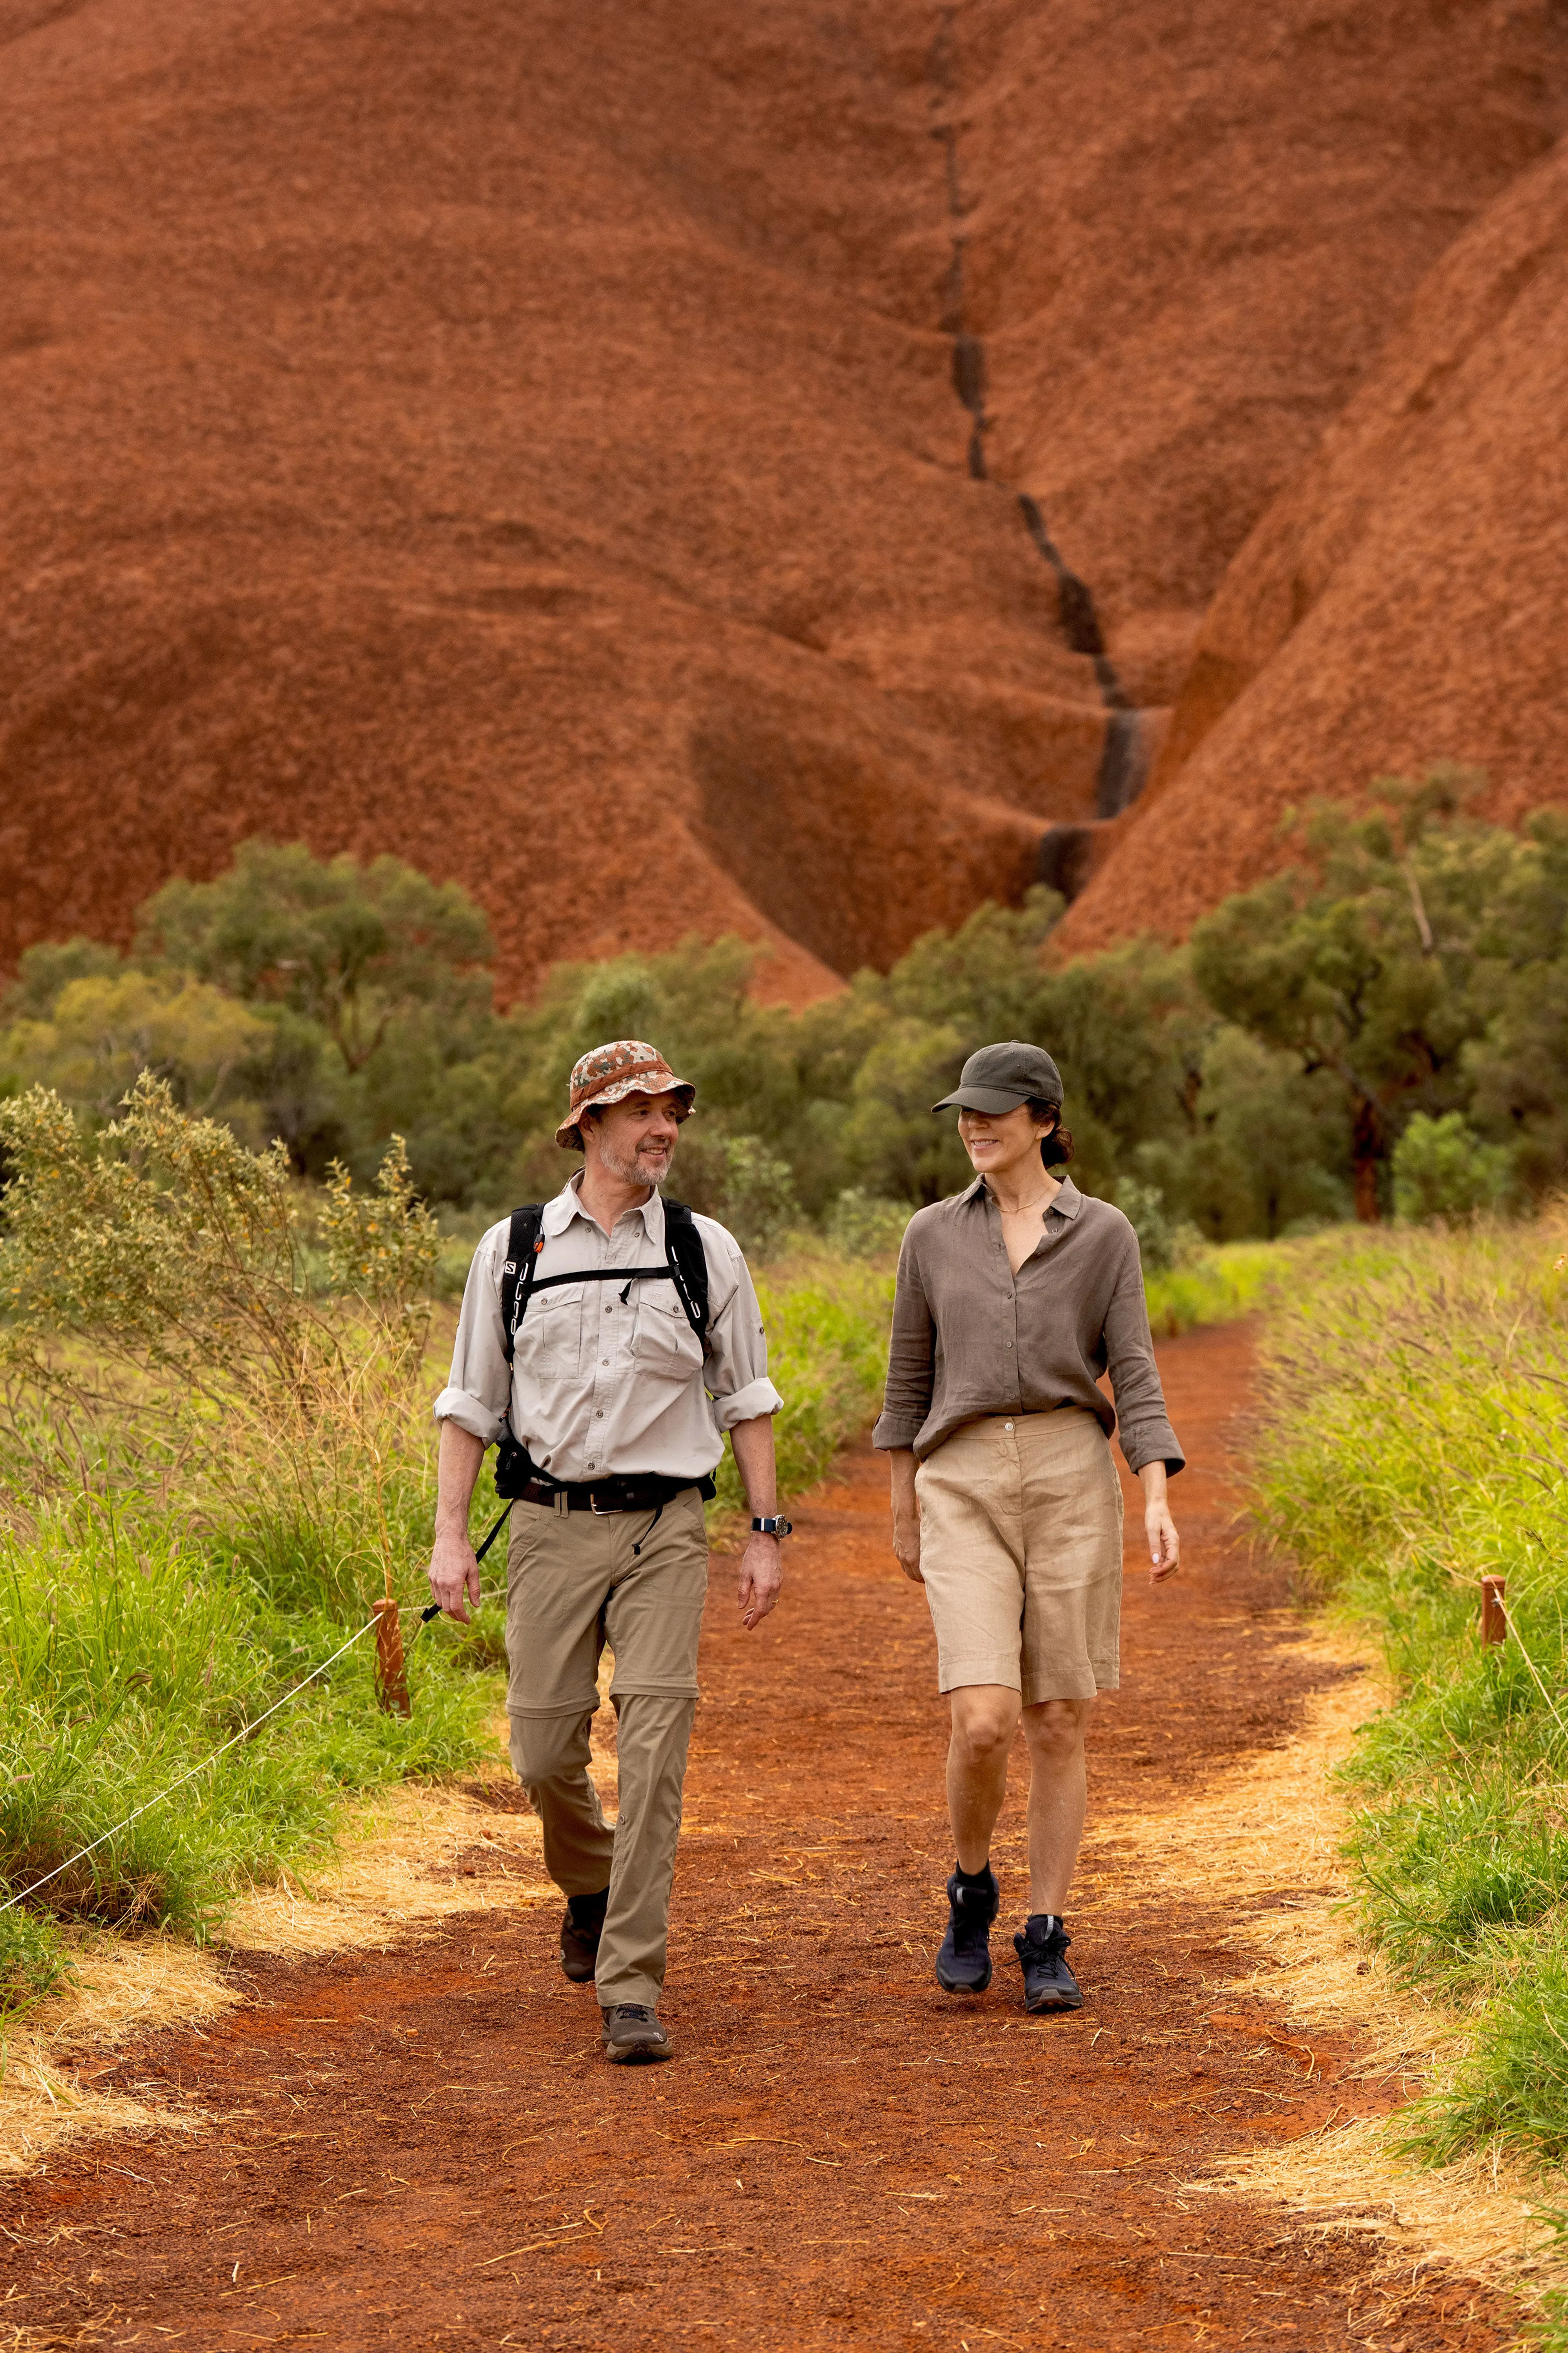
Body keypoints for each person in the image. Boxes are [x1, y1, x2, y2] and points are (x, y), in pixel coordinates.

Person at [427, 1039, 790, 2065]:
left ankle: (631, 1986)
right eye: (639, 1111)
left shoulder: (702, 1247)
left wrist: (765, 1533)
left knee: (655, 1748)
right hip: (545, 1526)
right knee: (542, 1751)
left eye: (671, 1109)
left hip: (666, 1527)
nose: (662, 1127)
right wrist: (451, 1537)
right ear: (587, 1126)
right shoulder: (513, 1249)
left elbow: (746, 1397)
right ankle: (589, 1887)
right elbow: (471, 1405)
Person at [872, 1040, 1182, 2014]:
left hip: (1069, 1473)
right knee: (984, 1720)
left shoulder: (1105, 1234)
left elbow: (1131, 1367)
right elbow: (906, 1379)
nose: (973, 1125)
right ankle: (972, 1887)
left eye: (993, 1111)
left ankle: (1046, 1931)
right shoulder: (930, 1235)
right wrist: (901, 1499)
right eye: (964, 1110)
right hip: (957, 1477)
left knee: (1059, 1717)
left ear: (1043, 1120)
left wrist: (1158, 1488)